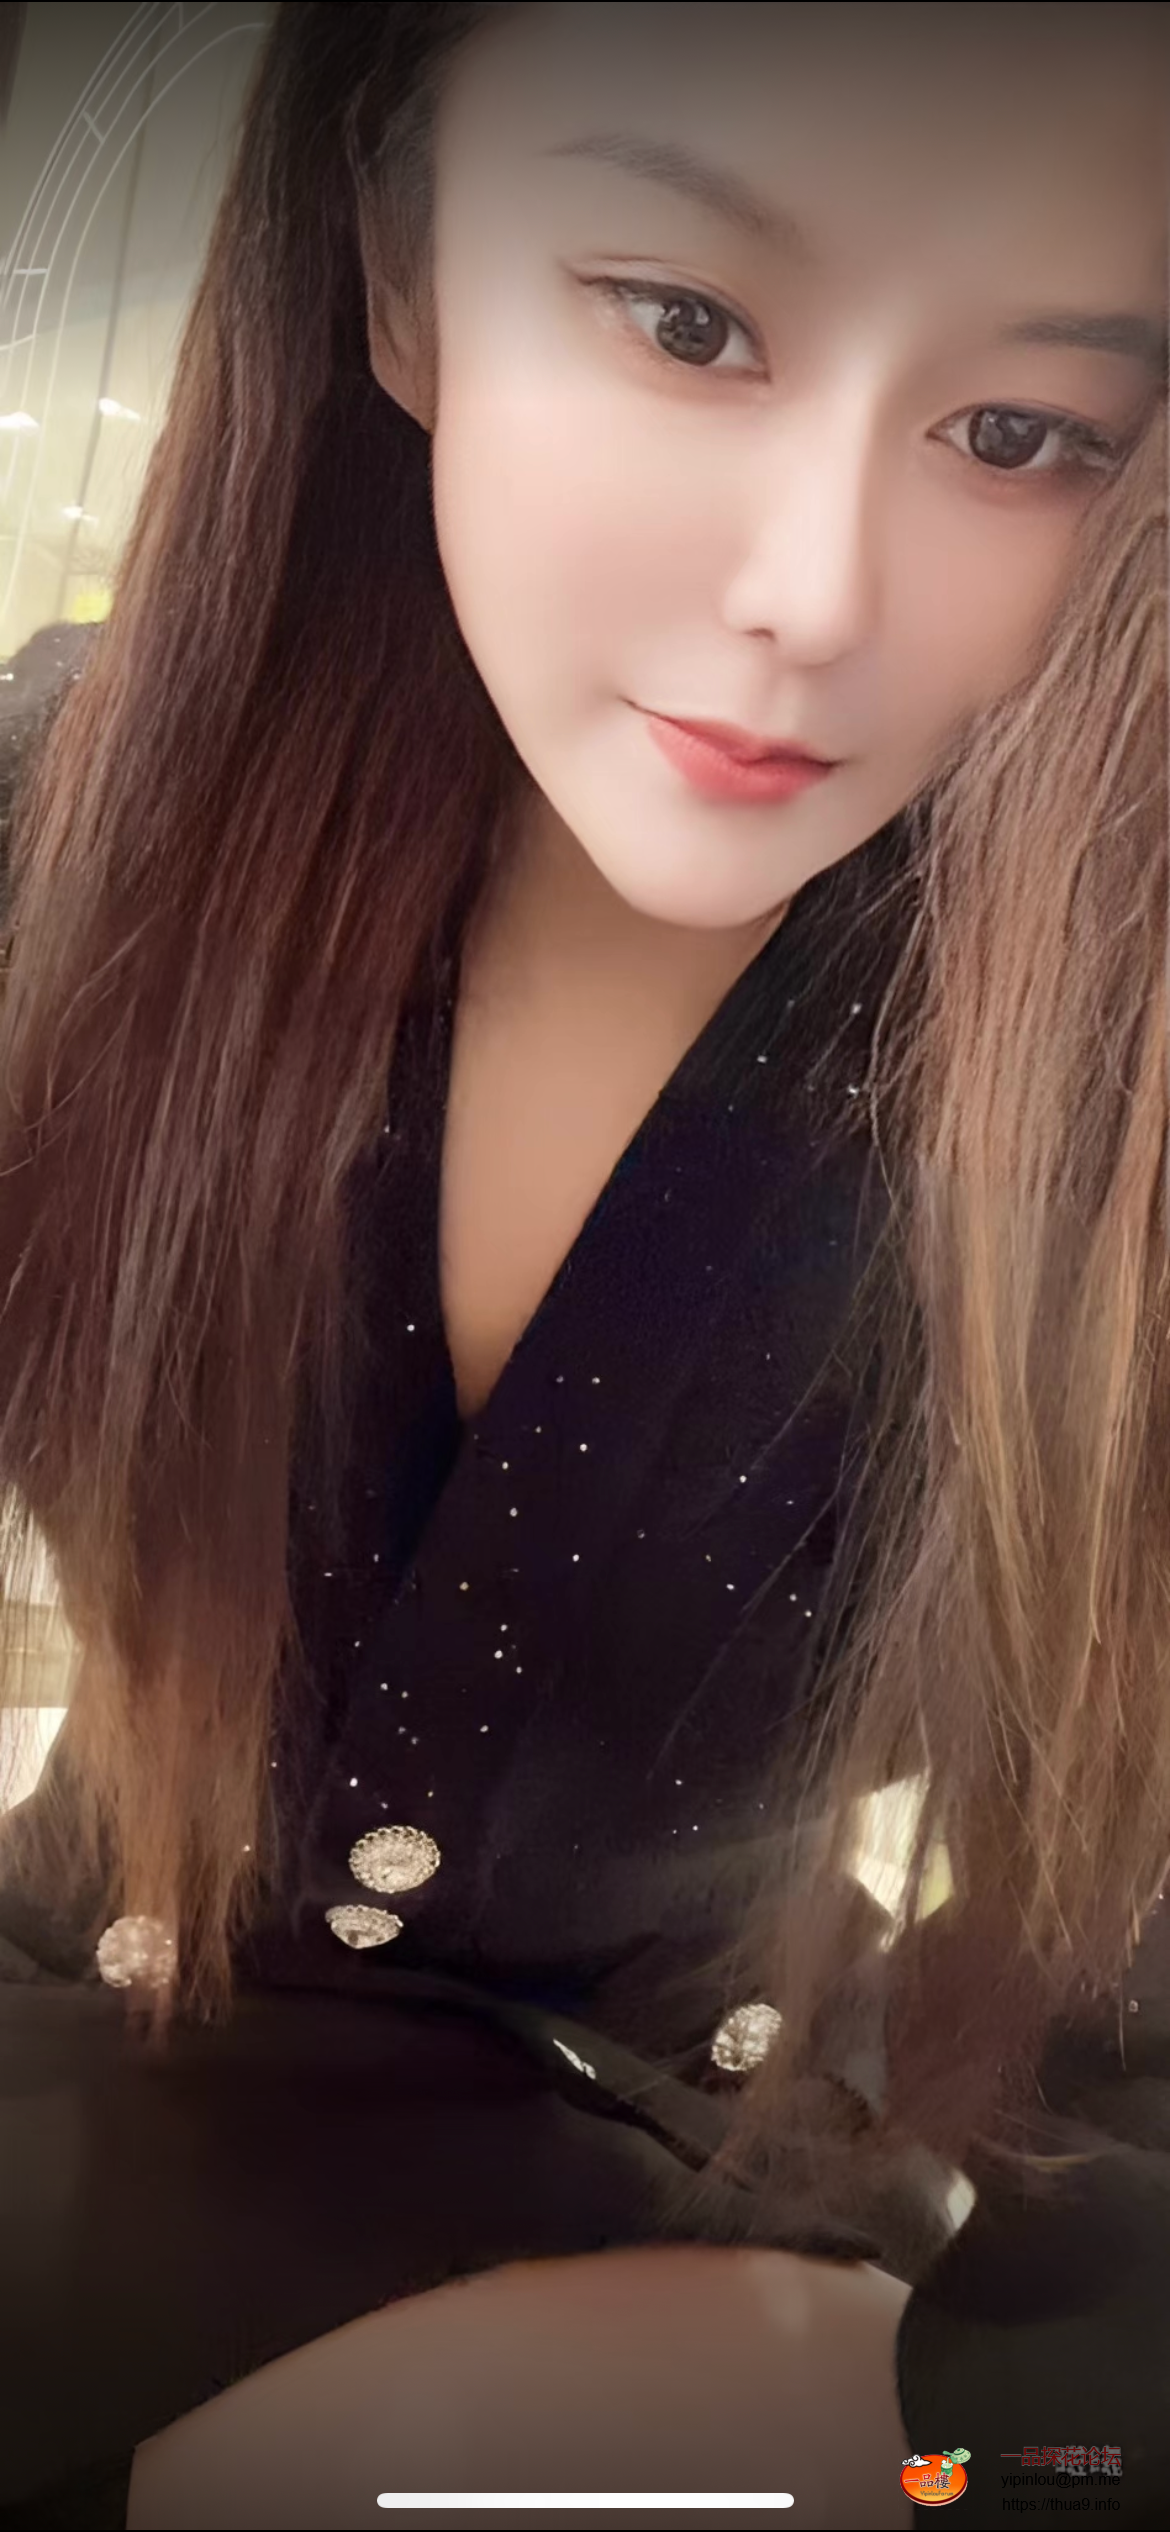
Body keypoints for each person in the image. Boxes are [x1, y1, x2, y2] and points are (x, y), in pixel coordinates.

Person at [0, 4, 1168, 2524]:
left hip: (725, 2217)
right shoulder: (60, 832)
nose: (811, 597)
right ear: (400, 272)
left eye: (1026, 431)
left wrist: (958, 2429)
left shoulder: (1122, 1087)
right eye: (685, 318)